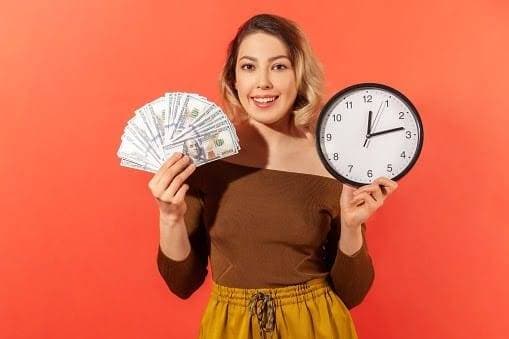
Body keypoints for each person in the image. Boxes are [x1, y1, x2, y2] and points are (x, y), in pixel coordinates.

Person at [149, 13, 398, 339]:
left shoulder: (332, 158)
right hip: (230, 329)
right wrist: (169, 217)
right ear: (234, 78)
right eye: (249, 67)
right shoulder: (205, 157)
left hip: (315, 326)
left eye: (279, 66)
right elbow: (181, 283)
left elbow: (352, 293)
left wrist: (352, 227)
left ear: (299, 76)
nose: (263, 82)